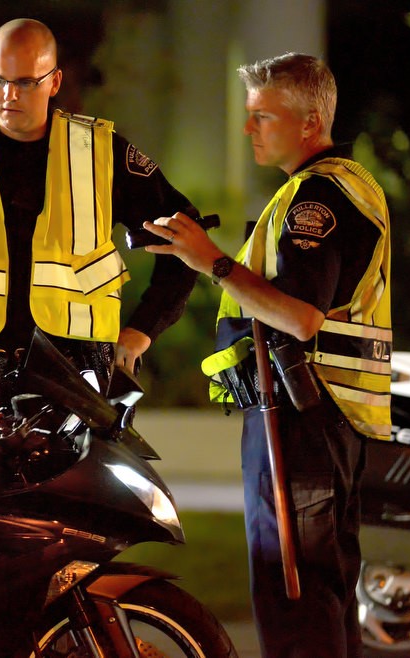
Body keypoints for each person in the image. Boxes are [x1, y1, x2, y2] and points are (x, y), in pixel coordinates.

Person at [142, 53, 391, 656]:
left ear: (309, 122)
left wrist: (213, 263)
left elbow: (300, 317)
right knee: (321, 596)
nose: (249, 129)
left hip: (302, 418)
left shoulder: (317, 201)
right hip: (325, 420)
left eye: (261, 117)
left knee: (296, 599)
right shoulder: (345, 187)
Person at [0, 18, 203, 414]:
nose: (9, 94)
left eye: (26, 82)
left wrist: (143, 330)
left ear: (54, 82)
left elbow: (186, 237)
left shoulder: (101, 153)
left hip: (76, 370)